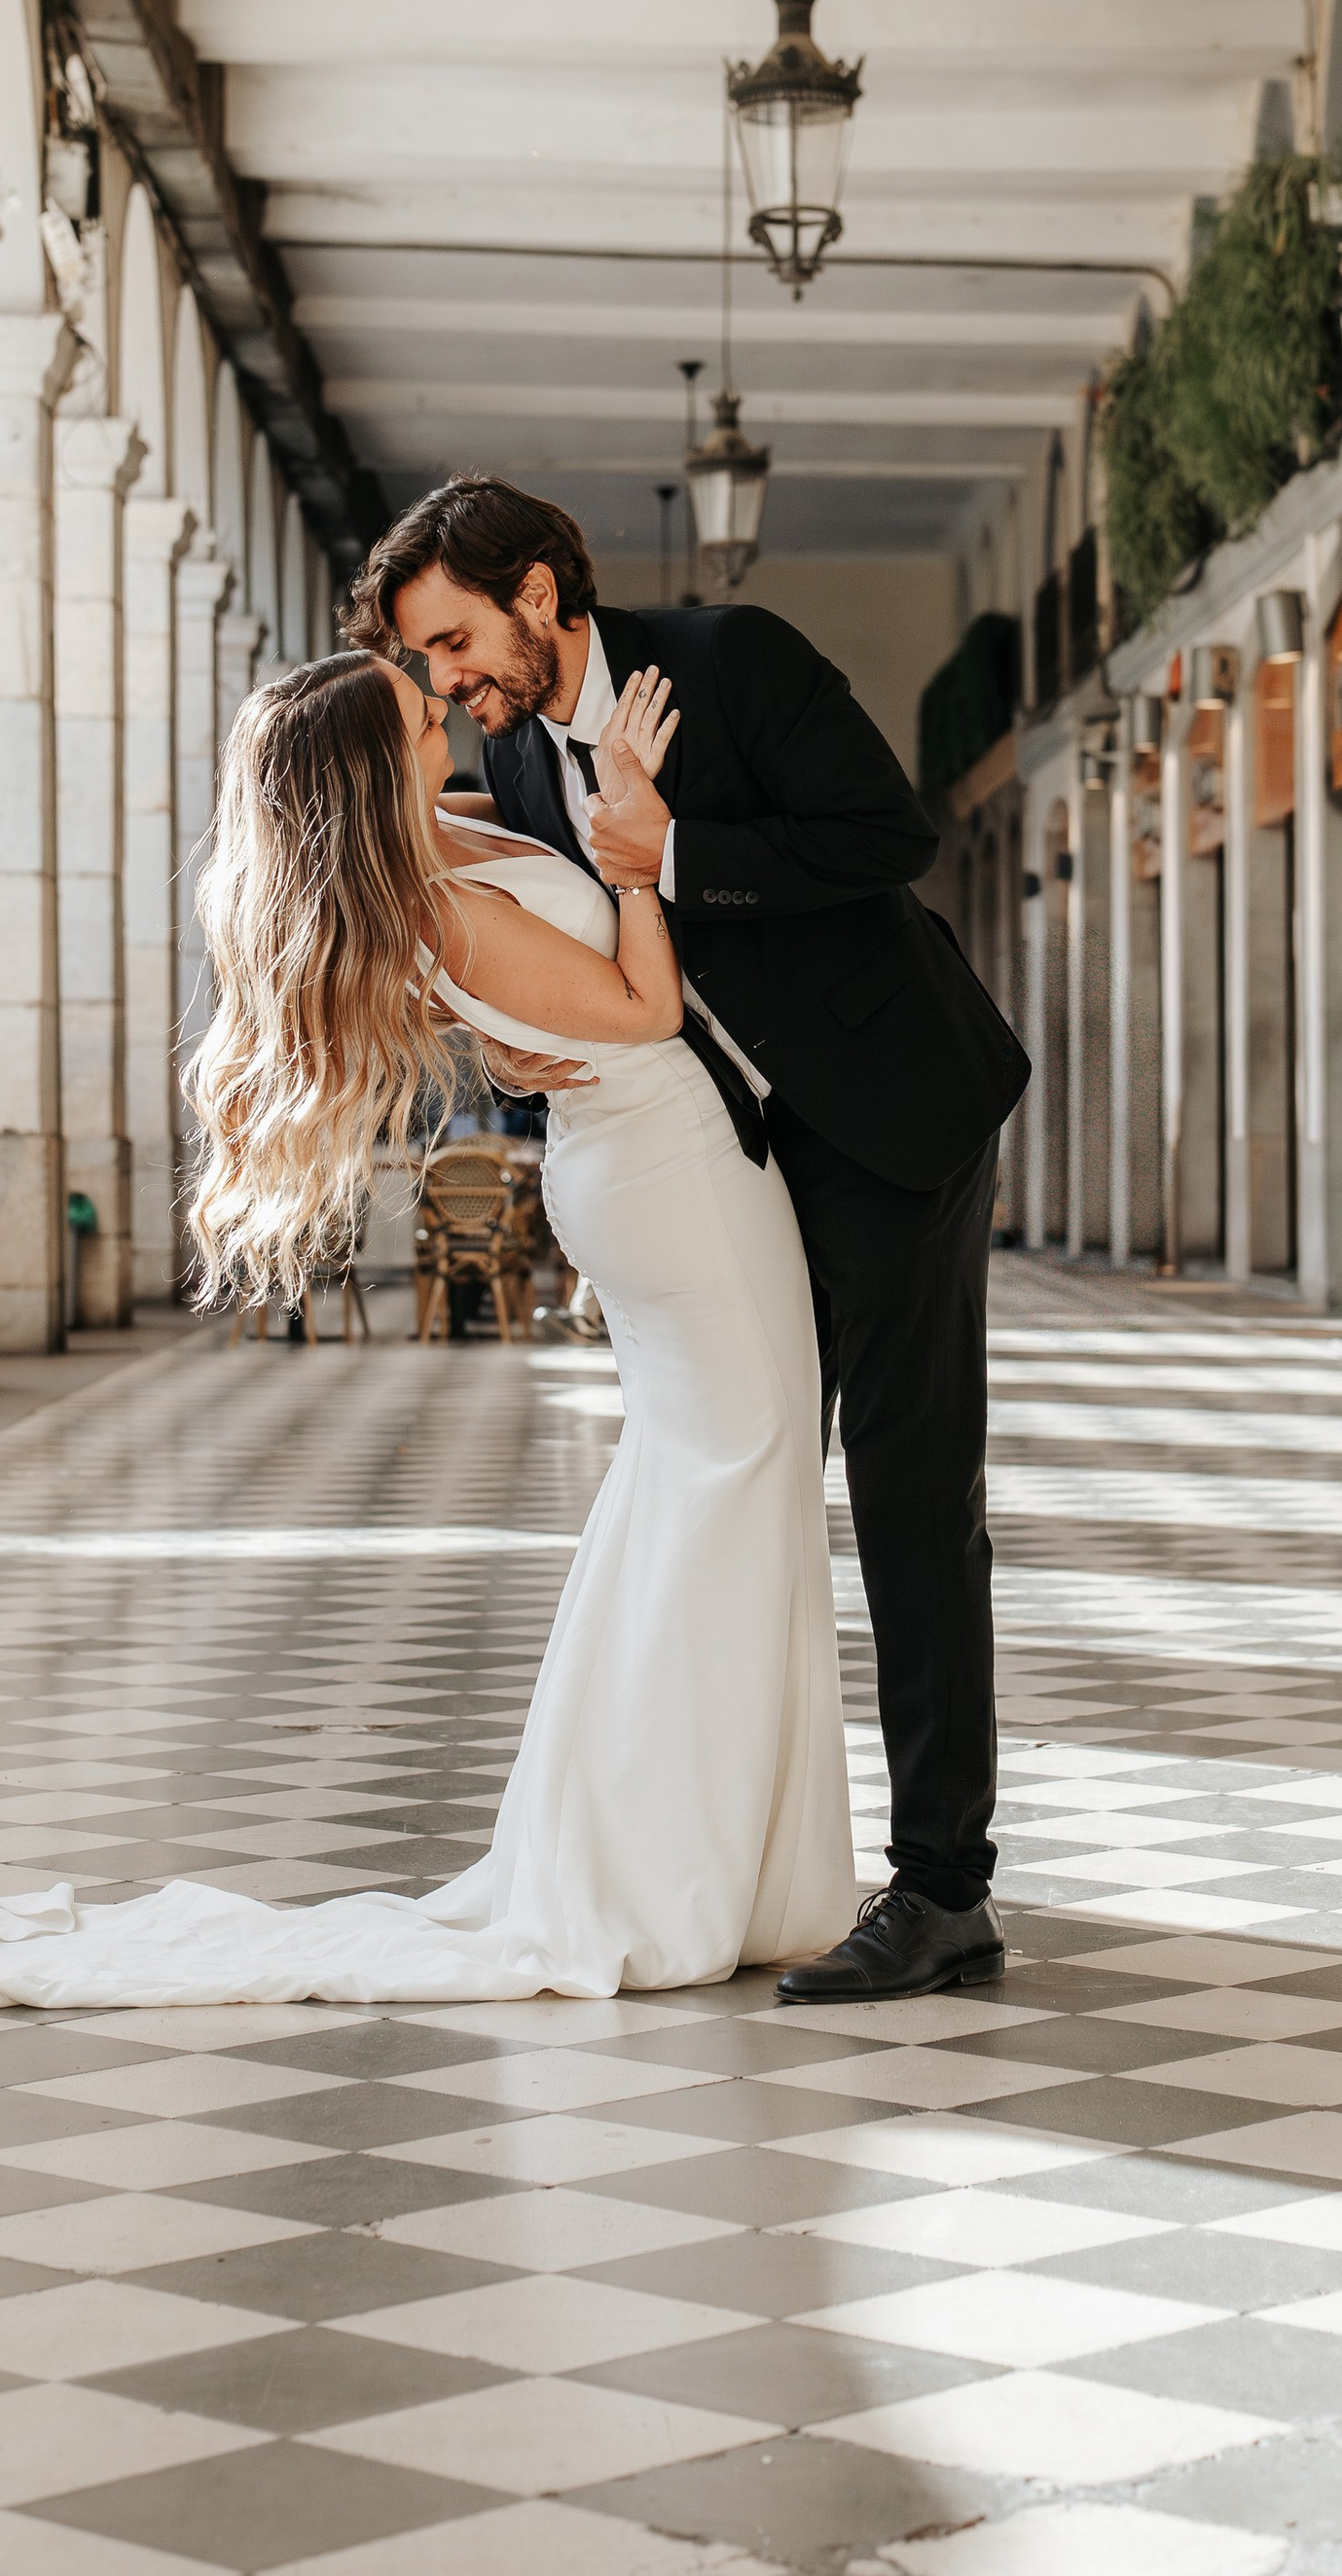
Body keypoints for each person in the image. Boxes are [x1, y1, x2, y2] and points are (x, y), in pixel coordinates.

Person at [0, 647, 857, 2012]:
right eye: (413, 710)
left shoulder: (433, 845)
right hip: (671, 1179)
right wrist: (634, 862)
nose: (442, 705)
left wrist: (600, 832)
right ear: (374, 769)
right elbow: (643, 1006)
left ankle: (714, 1856)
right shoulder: (433, 902)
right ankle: (673, 1870)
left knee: (708, 1487)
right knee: (734, 1479)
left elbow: (561, 964)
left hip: (660, 1171)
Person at [350, 475, 1029, 2004]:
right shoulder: (518, 759)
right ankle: (752, 1851)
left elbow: (888, 835)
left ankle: (942, 1892)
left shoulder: (730, 660)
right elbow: (551, 949)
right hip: (738, 1157)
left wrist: (677, 846)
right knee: (759, 1484)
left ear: (536, 589)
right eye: (430, 665)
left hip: (893, 1117)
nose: (447, 685)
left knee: (911, 1495)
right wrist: (516, 1051)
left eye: (455, 642)